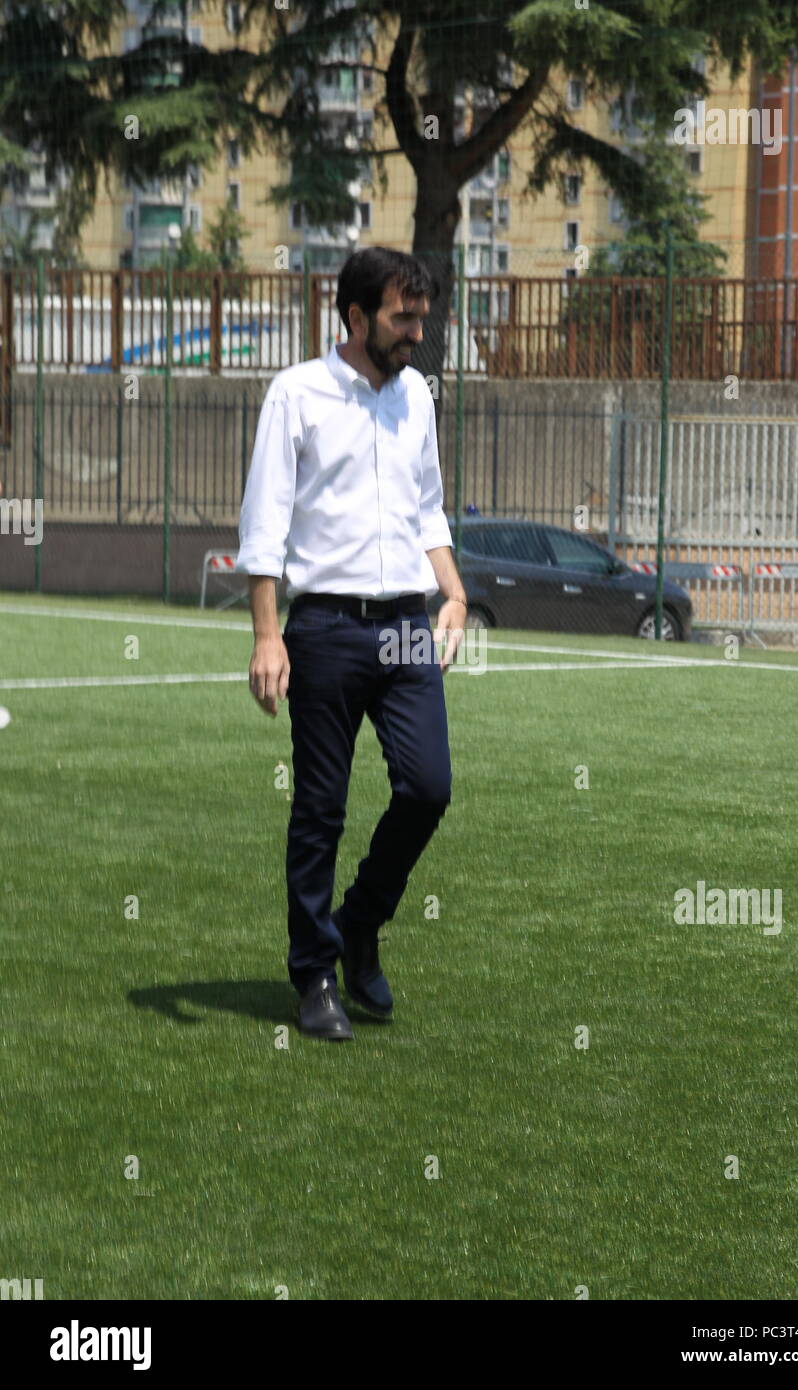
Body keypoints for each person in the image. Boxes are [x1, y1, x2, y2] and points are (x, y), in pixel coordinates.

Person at [235, 246, 467, 1041]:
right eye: (403, 319)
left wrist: (457, 594)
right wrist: (268, 635)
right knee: (321, 809)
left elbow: (427, 508)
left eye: (421, 319)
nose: (416, 335)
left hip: (407, 625)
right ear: (356, 316)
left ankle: (360, 921)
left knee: (428, 787)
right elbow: (263, 525)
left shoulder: (418, 400)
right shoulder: (294, 395)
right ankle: (314, 975)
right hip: (326, 627)